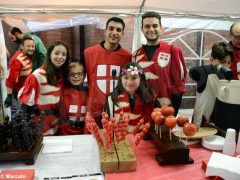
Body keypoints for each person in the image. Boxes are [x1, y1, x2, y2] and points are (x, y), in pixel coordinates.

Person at [133, 11, 187, 115]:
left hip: (165, 111)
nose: (151, 29)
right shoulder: (135, 55)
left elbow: (180, 84)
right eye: (147, 26)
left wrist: (173, 111)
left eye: (155, 26)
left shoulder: (173, 51)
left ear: (160, 27)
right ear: (142, 29)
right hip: (141, 110)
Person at [84, 17, 131, 125]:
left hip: (117, 108)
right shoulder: (89, 53)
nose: (114, 32)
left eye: (118, 30)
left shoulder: (127, 57)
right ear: (105, 31)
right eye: (111, 28)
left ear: (122, 33)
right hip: (93, 108)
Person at [18, 41, 69, 135]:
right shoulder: (37, 75)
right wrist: (27, 129)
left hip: (56, 124)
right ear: (49, 54)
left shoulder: (62, 75)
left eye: (64, 54)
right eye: (56, 53)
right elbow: (25, 106)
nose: (60, 57)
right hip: (41, 126)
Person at [189, 41, 234, 127]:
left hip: (220, 121)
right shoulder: (205, 71)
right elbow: (192, 72)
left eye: (229, 62)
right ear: (211, 60)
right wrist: (215, 68)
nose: (226, 66)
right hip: (201, 124)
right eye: (222, 62)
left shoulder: (228, 76)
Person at [104, 62, 157, 133]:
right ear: (121, 79)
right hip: (120, 140)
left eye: (134, 78)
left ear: (140, 79)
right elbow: (106, 123)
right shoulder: (111, 98)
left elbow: (157, 122)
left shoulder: (151, 96)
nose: (129, 82)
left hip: (146, 138)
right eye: (126, 78)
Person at [4, 37, 36, 120]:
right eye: (28, 46)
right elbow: (10, 78)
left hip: (24, 92)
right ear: (22, 47)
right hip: (17, 94)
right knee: (18, 117)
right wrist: (9, 96)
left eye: (33, 46)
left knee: (24, 116)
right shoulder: (18, 60)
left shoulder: (26, 56)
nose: (31, 48)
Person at [58, 61, 88, 135]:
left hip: (83, 131)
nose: (76, 76)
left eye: (79, 74)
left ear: (84, 76)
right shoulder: (63, 91)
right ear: (68, 77)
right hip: (65, 131)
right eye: (72, 74)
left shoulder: (89, 92)